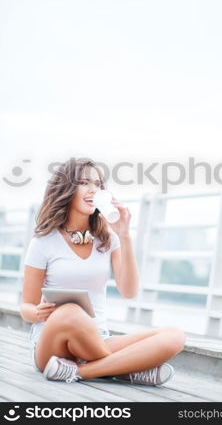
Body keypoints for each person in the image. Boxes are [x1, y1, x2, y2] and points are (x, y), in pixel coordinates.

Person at [20, 157, 185, 385]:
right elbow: (25, 306)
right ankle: (127, 369)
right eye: (85, 183)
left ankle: (81, 371)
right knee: (70, 312)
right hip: (53, 344)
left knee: (174, 337)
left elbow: (129, 291)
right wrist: (38, 313)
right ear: (66, 189)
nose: (93, 190)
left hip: (97, 340)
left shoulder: (109, 239)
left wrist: (124, 235)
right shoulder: (44, 241)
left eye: (97, 184)